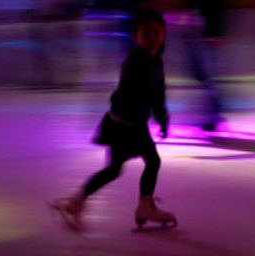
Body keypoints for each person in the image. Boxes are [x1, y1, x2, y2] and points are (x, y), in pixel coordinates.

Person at [50, 9, 177, 231]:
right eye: (146, 33)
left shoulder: (156, 62)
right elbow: (134, 93)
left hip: (132, 125)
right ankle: (80, 202)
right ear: (136, 36)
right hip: (123, 126)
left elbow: (158, 96)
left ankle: (77, 202)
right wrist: (150, 112)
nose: (151, 37)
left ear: (164, 34)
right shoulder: (136, 61)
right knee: (133, 166)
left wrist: (162, 120)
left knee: (125, 168)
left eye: (156, 32)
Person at [184, 0, 229, 131]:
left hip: (207, 37)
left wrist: (217, 34)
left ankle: (213, 116)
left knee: (208, 79)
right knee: (204, 78)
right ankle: (213, 114)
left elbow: (219, 10)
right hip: (200, 37)